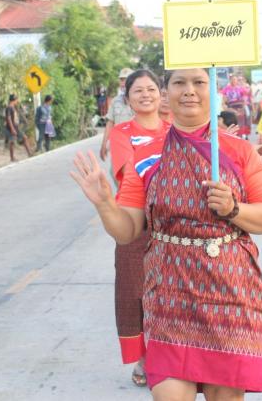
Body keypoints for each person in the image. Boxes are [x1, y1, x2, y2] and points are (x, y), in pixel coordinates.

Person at [71, 68, 262, 400]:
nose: (189, 90)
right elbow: (127, 231)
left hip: (229, 289)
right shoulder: (146, 154)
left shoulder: (240, 151)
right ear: (166, 94)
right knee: (169, 394)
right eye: (179, 83)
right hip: (169, 290)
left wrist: (233, 209)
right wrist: (104, 203)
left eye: (199, 82)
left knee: (225, 395)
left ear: (214, 91)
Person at [107, 69, 171, 387]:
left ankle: (170, 356)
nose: (145, 95)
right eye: (138, 91)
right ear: (128, 98)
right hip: (135, 218)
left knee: (170, 289)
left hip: (172, 218)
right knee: (135, 289)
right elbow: (129, 172)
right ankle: (144, 359)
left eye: (151, 89)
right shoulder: (122, 133)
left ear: (161, 94)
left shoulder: (175, 130)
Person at [100, 68, 135, 161]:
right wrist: (104, 144)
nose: (123, 83)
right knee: (116, 169)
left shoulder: (140, 100)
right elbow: (110, 123)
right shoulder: (115, 101)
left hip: (136, 145)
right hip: (119, 145)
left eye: (126, 80)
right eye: (121, 80)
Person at [5, 94, 32, 162]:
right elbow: (8, 118)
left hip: (16, 126)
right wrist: (12, 129)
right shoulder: (9, 107)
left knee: (24, 138)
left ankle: (29, 154)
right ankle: (12, 158)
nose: (17, 101)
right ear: (14, 100)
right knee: (12, 142)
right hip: (11, 127)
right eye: (17, 99)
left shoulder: (14, 107)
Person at [222, 73, 250, 138]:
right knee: (232, 122)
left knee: (241, 123)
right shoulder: (226, 89)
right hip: (230, 108)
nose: (234, 81)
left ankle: (241, 136)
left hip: (240, 108)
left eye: (235, 79)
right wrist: (226, 107)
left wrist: (242, 108)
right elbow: (224, 99)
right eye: (232, 79)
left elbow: (245, 99)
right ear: (230, 80)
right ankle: (233, 136)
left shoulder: (241, 88)